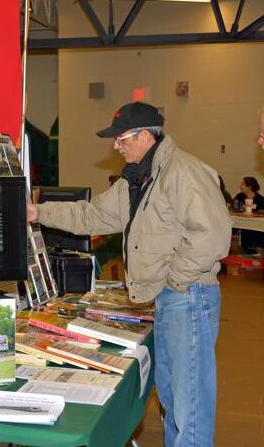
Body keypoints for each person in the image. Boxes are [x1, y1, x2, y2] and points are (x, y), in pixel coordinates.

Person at [27, 102, 231, 447]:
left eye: (121, 139)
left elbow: (212, 234)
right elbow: (92, 215)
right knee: (171, 396)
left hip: (189, 295)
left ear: (145, 136)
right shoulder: (137, 179)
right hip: (168, 297)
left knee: (190, 403)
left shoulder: (183, 172)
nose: (116, 146)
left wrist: (175, 279)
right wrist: (38, 212)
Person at [232, 177, 264, 254]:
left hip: (256, 229)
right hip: (243, 227)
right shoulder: (239, 196)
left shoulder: (260, 200)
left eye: (242, 184)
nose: (240, 186)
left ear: (249, 187)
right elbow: (233, 207)